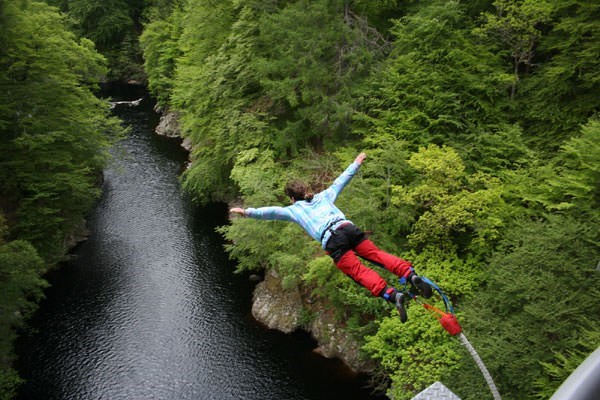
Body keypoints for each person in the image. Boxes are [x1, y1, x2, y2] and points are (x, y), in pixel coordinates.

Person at [230, 153, 432, 322]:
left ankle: (392, 294)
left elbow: (270, 212)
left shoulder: (293, 210)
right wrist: (356, 162)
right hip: (347, 228)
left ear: (292, 198)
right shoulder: (325, 196)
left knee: (359, 272)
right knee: (377, 255)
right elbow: (341, 180)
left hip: (333, 240)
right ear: (307, 191)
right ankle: (410, 274)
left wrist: (247, 212)